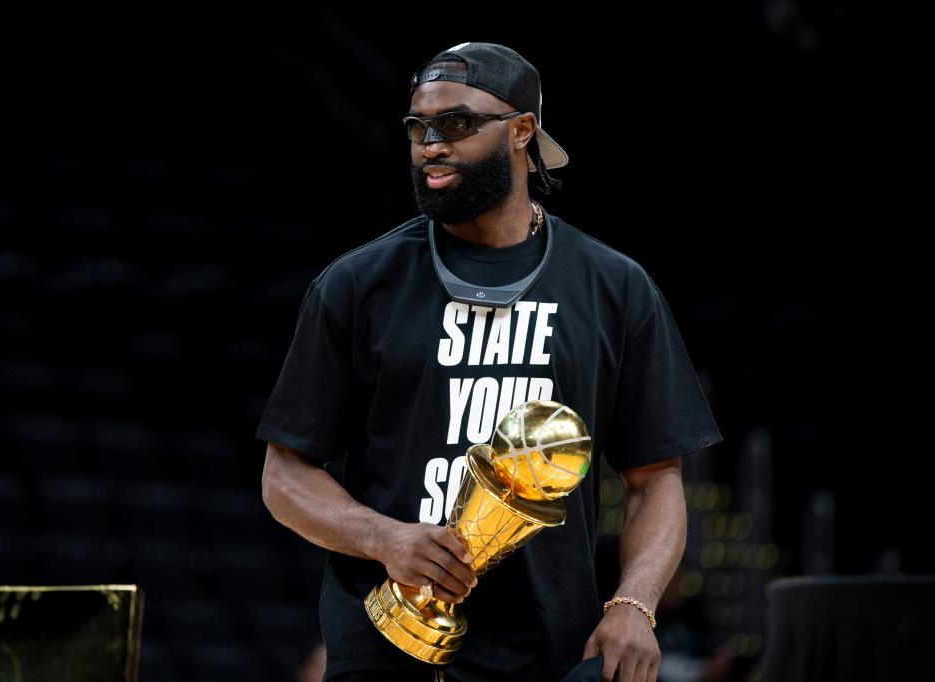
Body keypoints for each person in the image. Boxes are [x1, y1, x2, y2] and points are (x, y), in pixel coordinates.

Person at [258, 42, 723, 682]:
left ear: (521, 132)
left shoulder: (614, 287)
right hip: (388, 648)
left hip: (550, 648)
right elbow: (284, 475)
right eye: (419, 127)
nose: (431, 145)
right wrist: (384, 538)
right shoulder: (357, 284)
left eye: (456, 124)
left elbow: (655, 479)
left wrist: (635, 603)